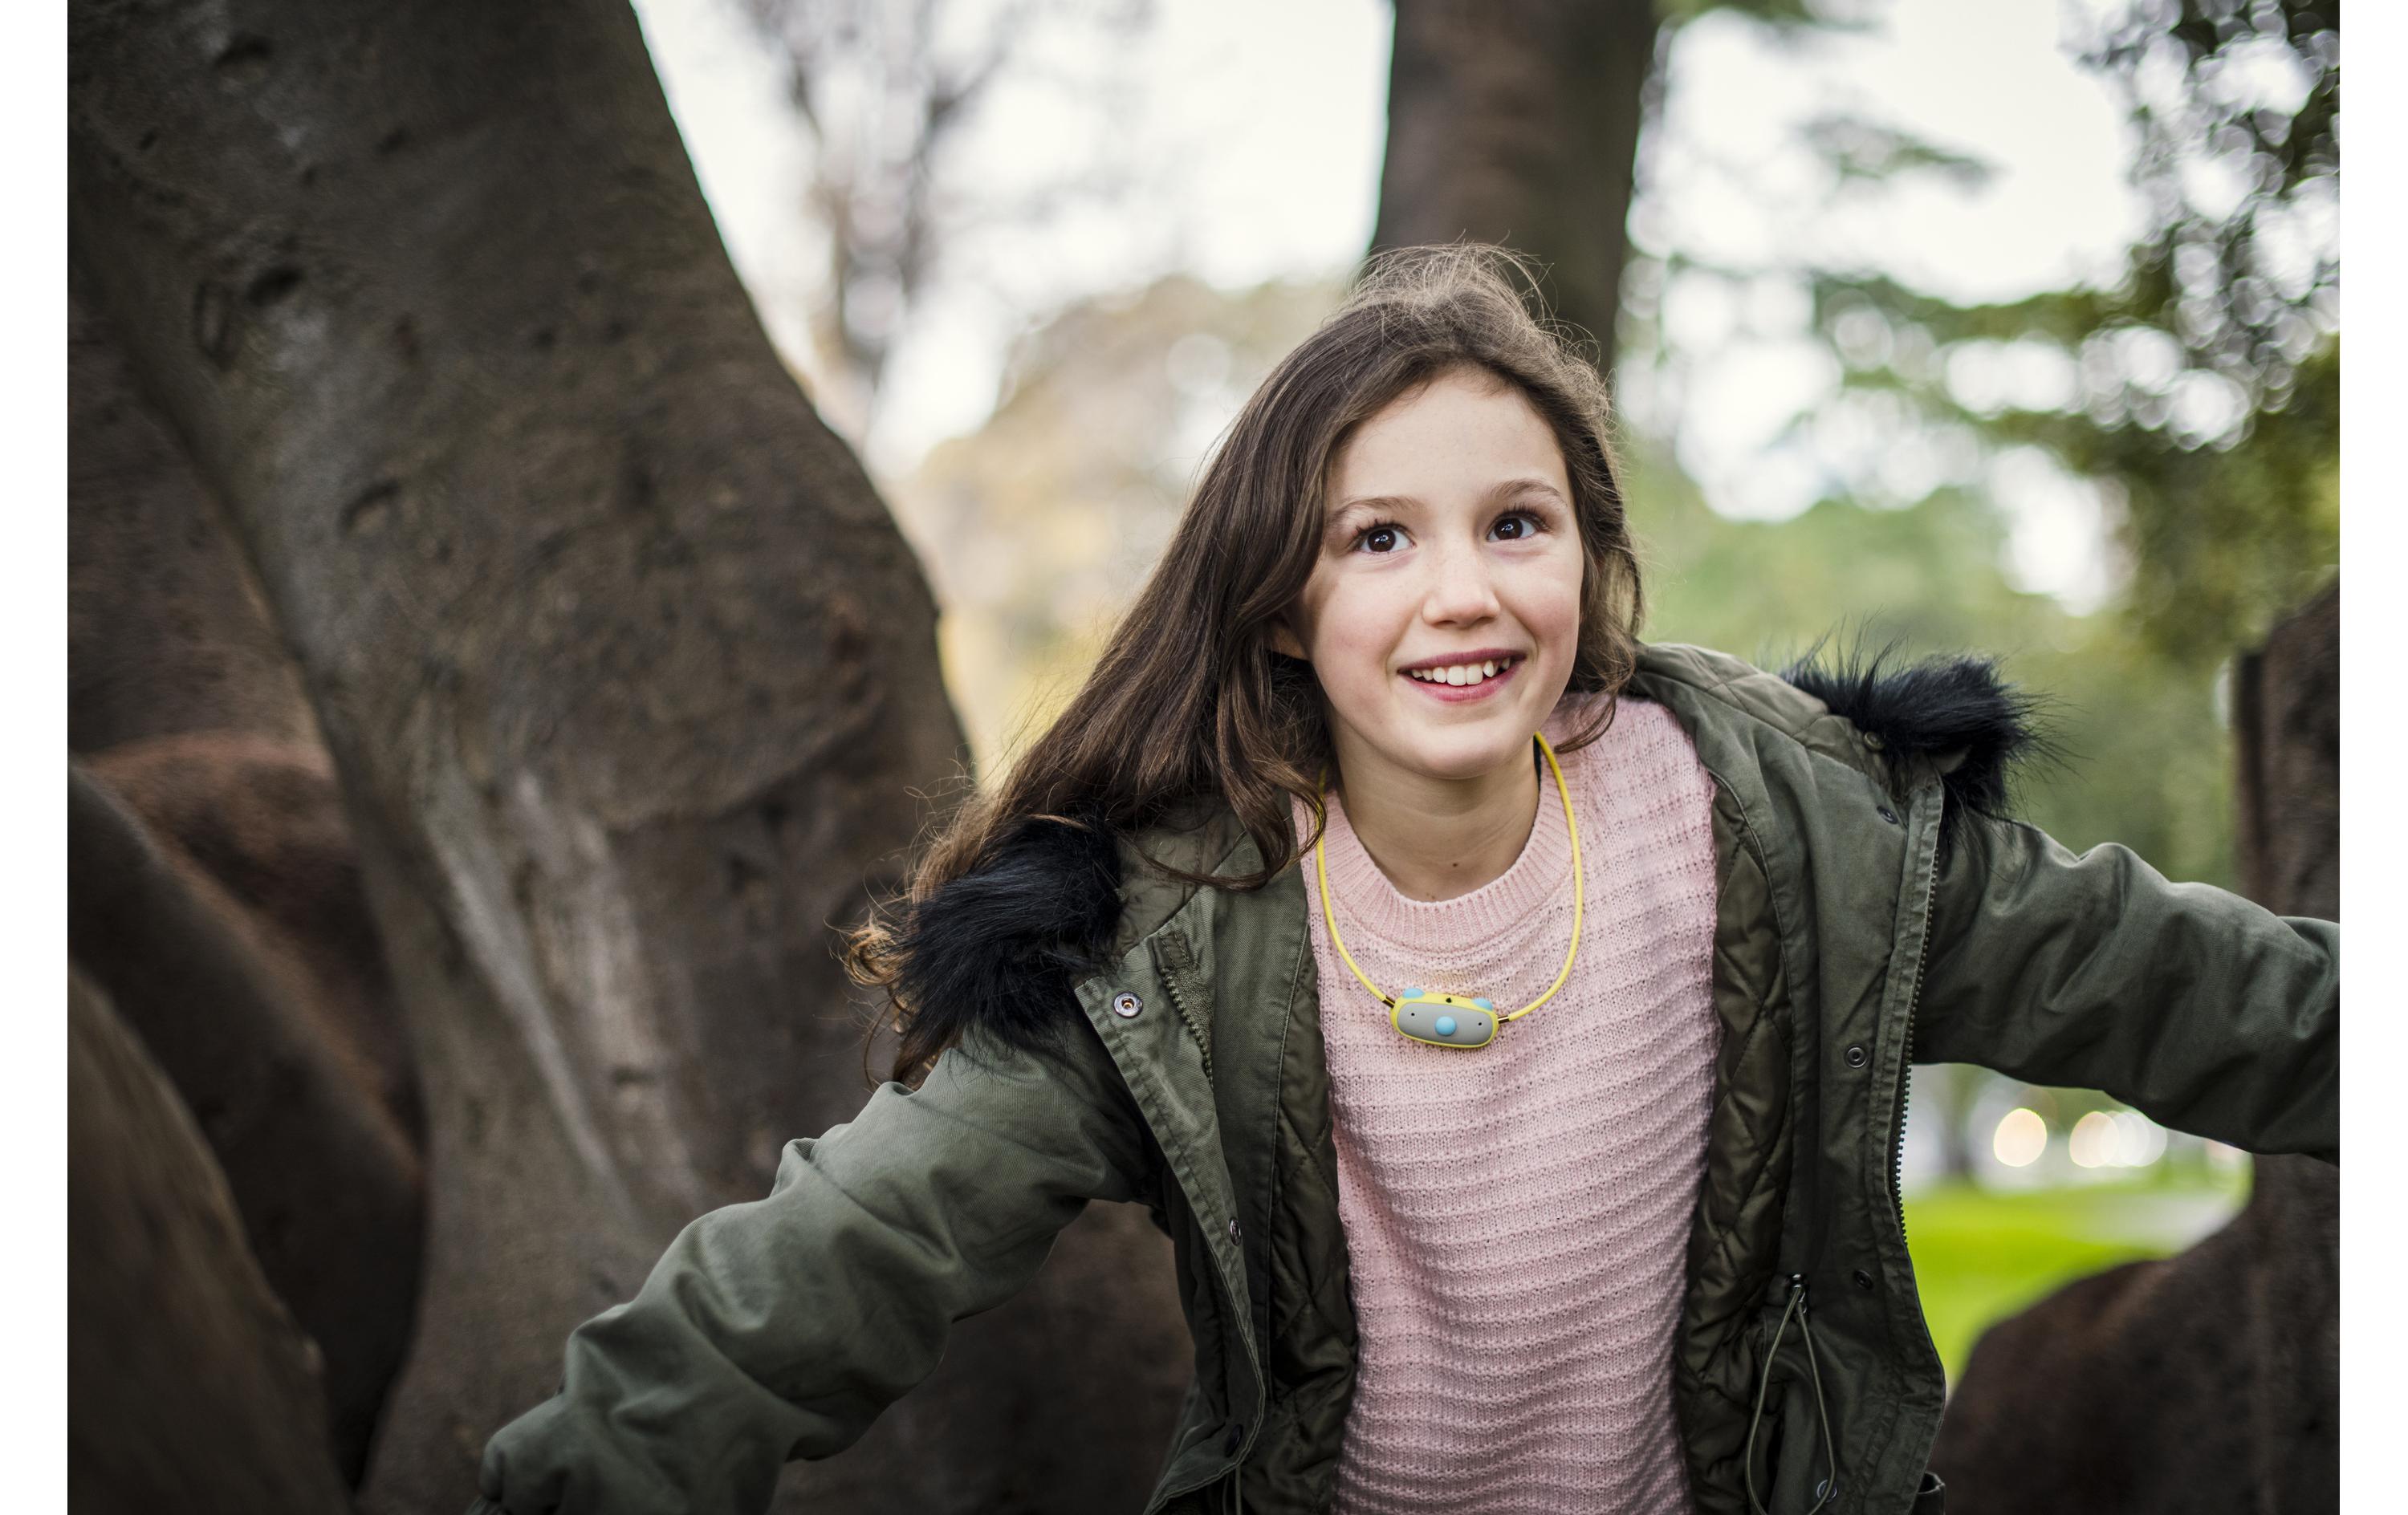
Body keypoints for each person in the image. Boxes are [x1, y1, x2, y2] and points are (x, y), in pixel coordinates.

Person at [469, 246, 2338, 1515]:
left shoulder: (1794, 833)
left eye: (1514, 522)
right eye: (1382, 536)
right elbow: (836, 1262)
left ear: (1589, 563)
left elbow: (2212, 997)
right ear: (1289, 601)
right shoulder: (1162, 947)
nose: (1461, 589)